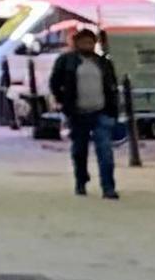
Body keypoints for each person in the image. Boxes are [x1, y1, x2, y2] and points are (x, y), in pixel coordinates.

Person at [50, 22, 128, 200]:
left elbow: (111, 86)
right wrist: (64, 102)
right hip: (77, 112)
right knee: (79, 150)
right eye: (84, 42)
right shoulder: (66, 61)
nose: (87, 46)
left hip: (101, 111)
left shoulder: (103, 63)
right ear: (76, 43)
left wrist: (113, 108)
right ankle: (81, 180)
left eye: (90, 42)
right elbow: (55, 83)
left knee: (105, 151)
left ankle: (108, 186)